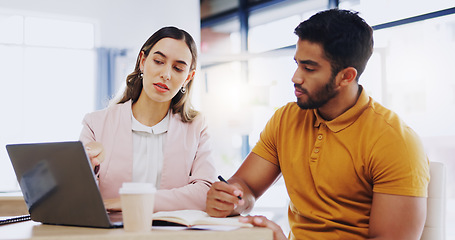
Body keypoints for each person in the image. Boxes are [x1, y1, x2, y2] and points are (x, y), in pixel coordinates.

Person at [206, 9, 430, 240]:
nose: (295, 77)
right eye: (297, 64)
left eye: (309, 68)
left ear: (346, 76)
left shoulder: (394, 141)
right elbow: (247, 186)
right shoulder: (286, 119)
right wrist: (232, 198)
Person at [80, 26, 216, 212]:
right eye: (159, 61)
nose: (166, 74)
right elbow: (78, 194)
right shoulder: (95, 124)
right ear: (143, 61)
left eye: (178, 68)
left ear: (188, 78)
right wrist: (83, 171)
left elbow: (206, 192)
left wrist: (130, 203)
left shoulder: (196, 127)